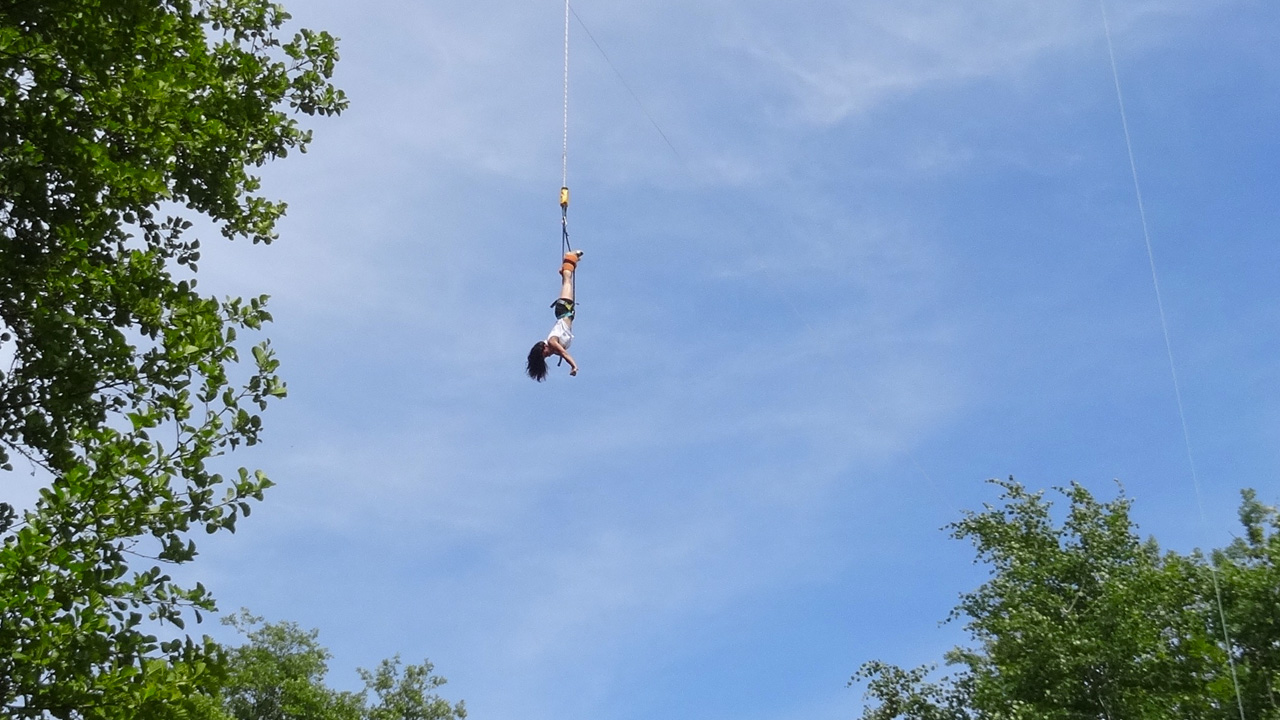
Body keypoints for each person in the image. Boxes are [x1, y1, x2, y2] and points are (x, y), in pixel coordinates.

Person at [526, 250, 583, 381]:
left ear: (544, 347)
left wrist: (574, 366)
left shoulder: (552, 341)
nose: (548, 355)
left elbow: (564, 353)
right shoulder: (554, 348)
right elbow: (561, 352)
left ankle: (570, 257)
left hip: (564, 309)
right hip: (566, 312)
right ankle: (565, 269)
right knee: (566, 281)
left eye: (545, 354)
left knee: (568, 282)